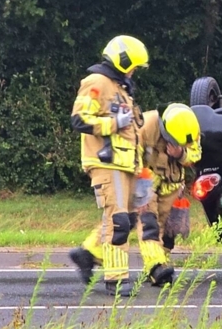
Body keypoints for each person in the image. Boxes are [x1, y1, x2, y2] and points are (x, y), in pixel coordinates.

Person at [67, 35, 173, 295]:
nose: (134, 71)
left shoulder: (120, 88)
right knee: (119, 222)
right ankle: (115, 279)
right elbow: (79, 119)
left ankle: (87, 255)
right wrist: (114, 123)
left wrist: (140, 169)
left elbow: (132, 134)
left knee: (129, 218)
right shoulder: (97, 82)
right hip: (108, 163)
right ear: (122, 61)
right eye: (133, 66)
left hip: (126, 165)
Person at [138, 103, 202, 256]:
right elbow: (133, 158)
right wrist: (140, 189)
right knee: (150, 225)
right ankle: (155, 264)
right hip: (148, 185)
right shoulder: (145, 126)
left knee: (169, 234)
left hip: (173, 188)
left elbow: (196, 154)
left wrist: (181, 153)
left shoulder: (190, 128)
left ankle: (162, 261)